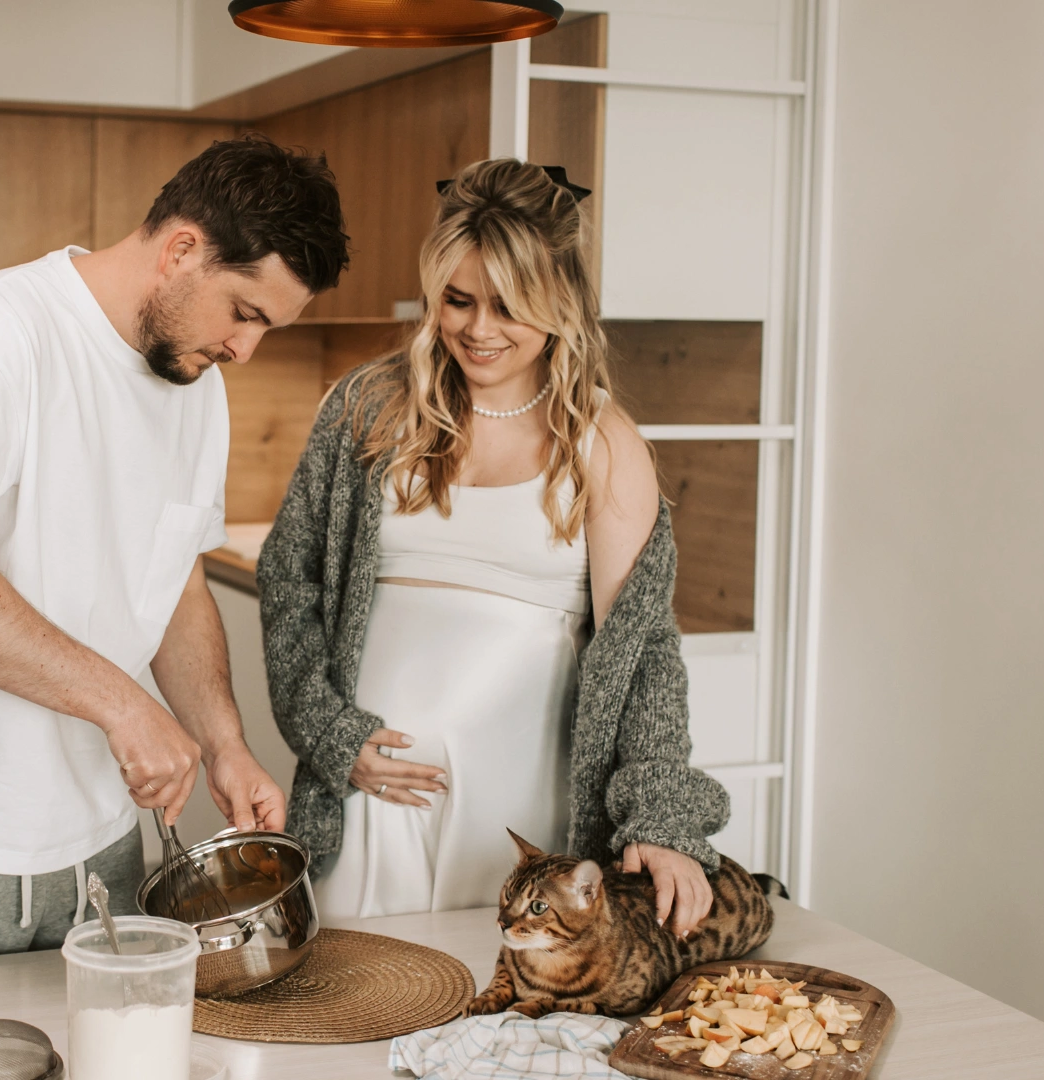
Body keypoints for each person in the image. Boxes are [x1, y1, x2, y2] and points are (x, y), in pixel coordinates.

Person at [0, 135, 351, 1080]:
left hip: (99, 844)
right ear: (180, 250)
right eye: (244, 313)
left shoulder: (193, 383)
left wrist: (221, 742)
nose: (245, 350)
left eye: (268, 332)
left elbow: (170, 579)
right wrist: (125, 705)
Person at [257, 158, 729, 935]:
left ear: (562, 302)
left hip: (521, 823)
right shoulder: (367, 408)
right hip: (367, 797)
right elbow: (288, 580)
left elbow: (643, 651)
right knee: (346, 1007)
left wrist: (661, 817)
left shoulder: (604, 445)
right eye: (458, 299)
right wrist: (333, 737)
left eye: (510, 306)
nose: (479, 330)